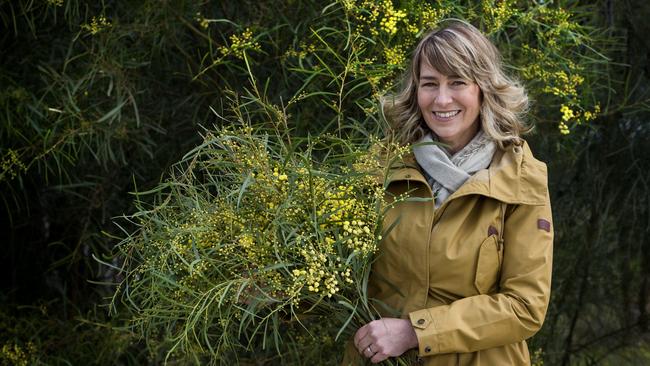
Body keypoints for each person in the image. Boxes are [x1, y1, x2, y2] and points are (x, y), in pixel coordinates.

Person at [343, 20, 553, 365]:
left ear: (483, 89)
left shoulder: (521, 180)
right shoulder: (381, 168)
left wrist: (415, 332)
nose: (441, 99)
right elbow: (337, 272)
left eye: (457, 82)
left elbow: (525, 307)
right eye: (430, 84)